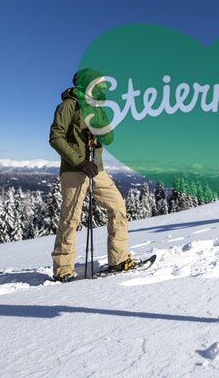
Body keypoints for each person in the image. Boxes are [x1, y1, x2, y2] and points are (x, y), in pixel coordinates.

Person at [49, 68, 134, 282]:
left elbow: (110, 137)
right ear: (88, 84)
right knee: (70, 218)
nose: (102, 88)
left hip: (97, 169)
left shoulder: (98, 108)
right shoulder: (69, 105)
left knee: (118, 207)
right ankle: (63, 269)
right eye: (98, 84)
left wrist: (98, 132)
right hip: (74, 170)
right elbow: (55, 137)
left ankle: (119, 259)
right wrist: (79, 161)